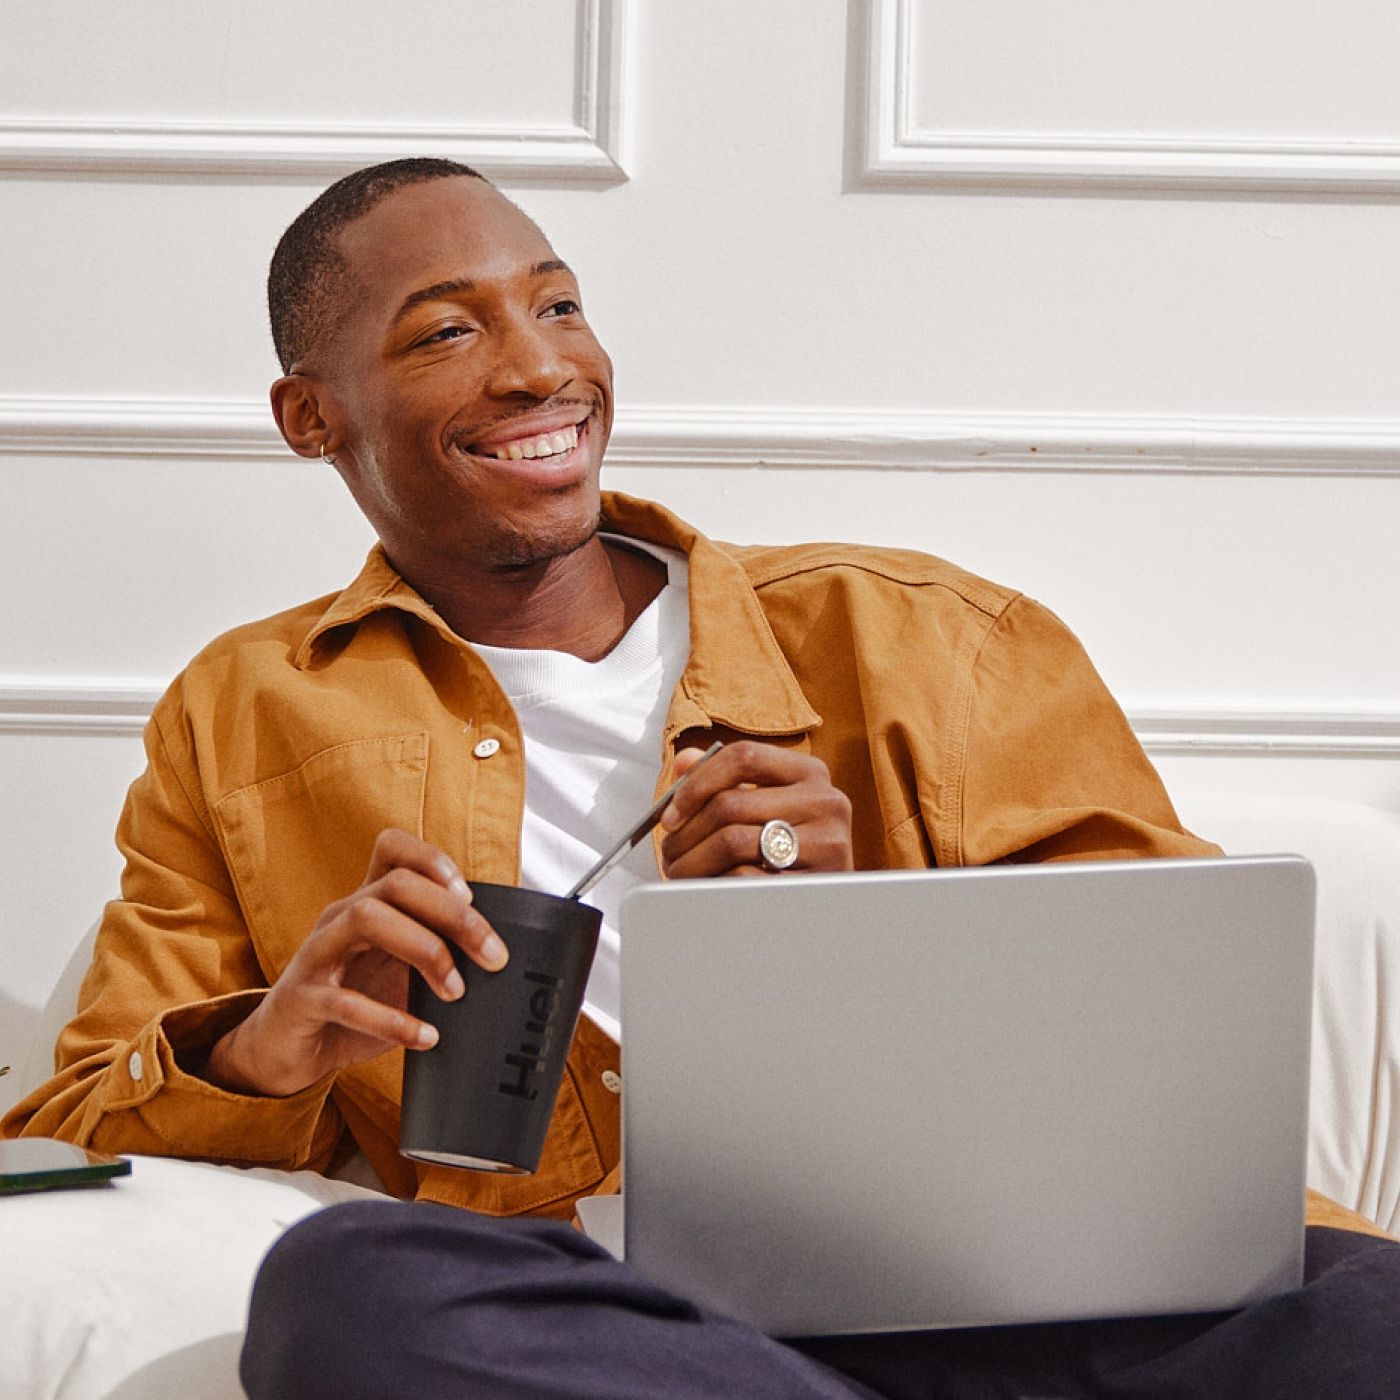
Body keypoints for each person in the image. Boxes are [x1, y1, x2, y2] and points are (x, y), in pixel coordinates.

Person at [4, 158, 1396, 1397]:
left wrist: (850, 936)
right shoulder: (243, 714)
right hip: (631, 1329)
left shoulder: (932, 638)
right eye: (446, 331)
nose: (538, 367)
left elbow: (1175, 1056)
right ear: (310, 417)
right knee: (351, 1294)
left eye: (558, 305)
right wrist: (264, 1050)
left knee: (1367, 1312)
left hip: (1032, 1300)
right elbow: (67, 1133)